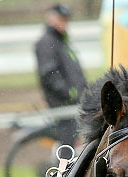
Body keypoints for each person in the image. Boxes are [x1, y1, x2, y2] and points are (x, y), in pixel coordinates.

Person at [35, 3, 87, 146]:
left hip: (72, 101)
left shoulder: (61, 41)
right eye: (61, 19)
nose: (64, 23)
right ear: (50, 19)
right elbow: (49, 74)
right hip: (62, 103)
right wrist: (69, 92)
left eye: (66, 20)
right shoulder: (46, 42)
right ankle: (63, 166)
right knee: (68, 141)